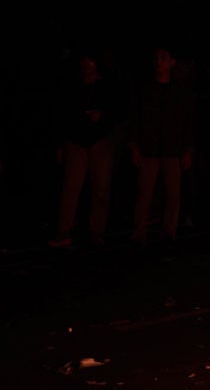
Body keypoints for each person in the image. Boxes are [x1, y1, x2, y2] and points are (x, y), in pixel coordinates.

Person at [48, 49, 123, 248]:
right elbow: (62, 114)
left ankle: (96, 231)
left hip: (100, 140)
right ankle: (64, 231)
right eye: (84, 61)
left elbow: (116, 111)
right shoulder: (72, 85)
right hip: (76, 140)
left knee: (100, 188)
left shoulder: (107, 85)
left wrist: (102, 117)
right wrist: (62, 143)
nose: (86, 65)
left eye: (90, 61)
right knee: (71, 188)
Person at [126, 44, 196, 245]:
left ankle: (169, 231)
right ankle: (139, 231)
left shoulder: (180, 91)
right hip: (149, 149)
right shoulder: (145, 90)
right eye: (157, 58)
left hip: (172, 149)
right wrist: (134, 146)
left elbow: (187, 122)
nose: (159, 62)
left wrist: (188, 149)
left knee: (172, 194)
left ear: (172, 62)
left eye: (164, 58)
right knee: (144, 193)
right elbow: (136, 119)